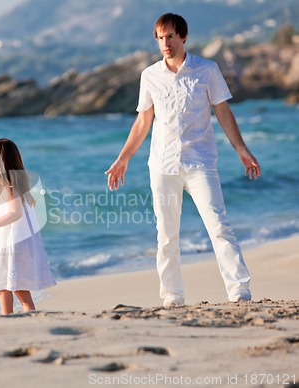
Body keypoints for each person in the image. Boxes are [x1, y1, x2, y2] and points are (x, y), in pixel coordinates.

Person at [105, 13, 261, 308]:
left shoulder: (206, 70)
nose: (166, 42)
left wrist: (241, 149)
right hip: (163, 165)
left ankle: (240, 291)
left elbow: (223, 112)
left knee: (218, 225)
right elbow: (143, 122)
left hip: (200, 162)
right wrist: (123, 159)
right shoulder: (149, 75)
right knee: (166, 235)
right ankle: (172, 296)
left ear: (183, 37)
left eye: (171, 36)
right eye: (161, 37)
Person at [0, 138, 56, 314]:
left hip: (12, 243)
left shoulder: (7, 186)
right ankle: (26, 314)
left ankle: (8, 317)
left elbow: (15, 212)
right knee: (15, 287)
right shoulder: (18, 185)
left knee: (3, 284)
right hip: (19, 241)